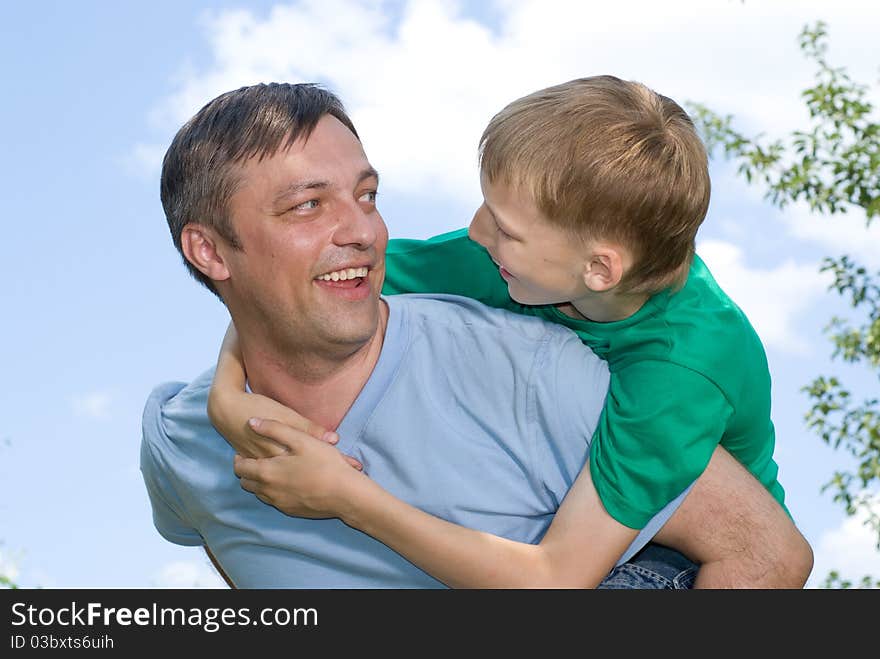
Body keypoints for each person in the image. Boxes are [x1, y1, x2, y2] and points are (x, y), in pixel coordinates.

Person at [207, 77, 813, 587]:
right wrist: (229, 398)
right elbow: (308, 293)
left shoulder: (678, 375)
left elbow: (555, 580)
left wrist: (346, 498)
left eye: (504, 227)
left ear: (598, 269)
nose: (474, 232)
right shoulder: (520, 263)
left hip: (676, 562)